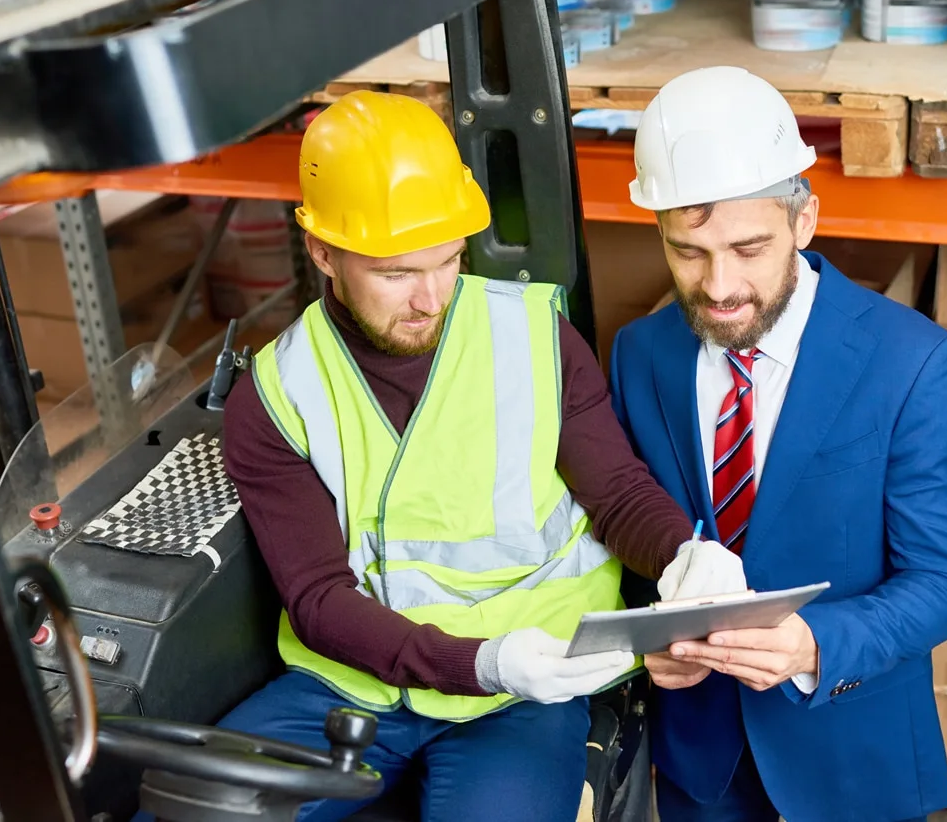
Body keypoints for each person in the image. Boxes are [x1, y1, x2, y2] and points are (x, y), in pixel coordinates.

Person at [213, 90, 721, 822]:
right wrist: (476, 659)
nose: (429, 298)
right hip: (353, 683)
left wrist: (682, 552)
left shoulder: (536, 338)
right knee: (192, 808)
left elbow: (615, 493)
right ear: (322, 251)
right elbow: (320, 600)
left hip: (530, 686)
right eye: (395, 274)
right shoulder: (275, 395)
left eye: (448, 260)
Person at [609, 67, 947, 822]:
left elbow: (945, 580)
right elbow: (631, 537)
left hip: (852, 753)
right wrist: (642, 642)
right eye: (689, 252)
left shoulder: (910, 361)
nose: (720, 286)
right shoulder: (639, 355)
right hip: (701, 761)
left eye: (749, 248)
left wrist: (813, 642)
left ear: (804, 221)